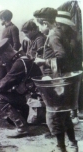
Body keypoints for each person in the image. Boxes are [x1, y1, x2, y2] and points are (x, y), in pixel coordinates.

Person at [33, 8, 78, 152]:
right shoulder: (60, 32)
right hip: (62, 80)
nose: (40, 29)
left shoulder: (53, 35)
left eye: (40, 26)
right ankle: (73, 144)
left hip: (56, 81)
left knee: (54, 115)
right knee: (64, 114)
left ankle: (61, 148)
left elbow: (62, 56)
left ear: (45, 23)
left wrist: (43, 62)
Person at [0, 38, 42, 137]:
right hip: (28, 94)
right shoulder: (18, 58)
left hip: (32, 98)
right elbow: (3, 82)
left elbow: (5, 82)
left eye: (0, 57)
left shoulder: (20, 63)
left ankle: (22, 128)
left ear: (5, 54)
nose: (0, 60)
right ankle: (24, 117)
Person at [0, 9, 21, 80]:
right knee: (1, 78)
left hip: (9, 59)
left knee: (8, 79)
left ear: (4, 18)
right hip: (2, 58)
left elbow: (16, 44)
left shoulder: (13, 28)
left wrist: (10, 58)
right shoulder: (5, 28)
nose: (0, 21)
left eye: (0, 19)